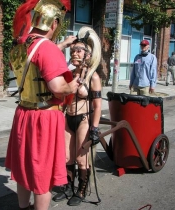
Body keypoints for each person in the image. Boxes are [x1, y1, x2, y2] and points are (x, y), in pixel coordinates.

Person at [5, 0, 80, 209]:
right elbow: (57, 87)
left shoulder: (22, 45)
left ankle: (23, 207)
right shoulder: (48, 49)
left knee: (23, 169)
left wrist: (62, 46)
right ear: (54, 23)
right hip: (44, 117)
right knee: (42, 174)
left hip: (23, 112)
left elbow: (38, 58)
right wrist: (71, 86)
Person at [52, 26, 102, 206]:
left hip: (84, 119)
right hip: (68, 118)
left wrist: (95, 128)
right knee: (66, 157)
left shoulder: (93, 77)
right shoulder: (70, 74)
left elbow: (97, 105)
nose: (75, 53)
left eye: (79, 50)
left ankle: (81, 190)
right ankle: (67, 187)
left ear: (88, 55)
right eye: (73, 50)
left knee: (82, 159)